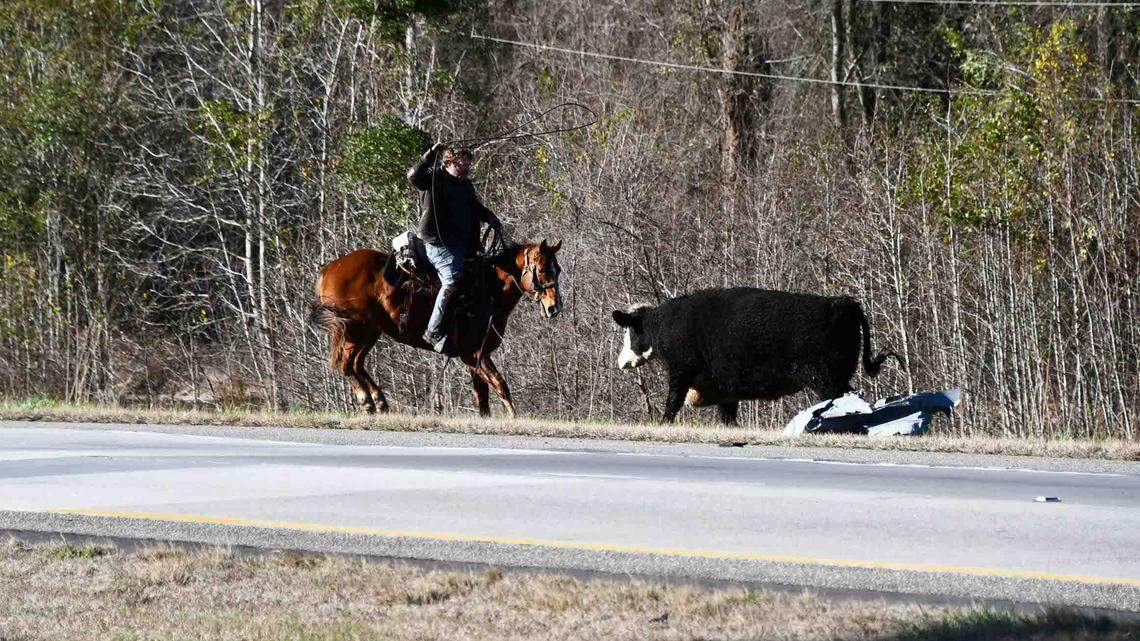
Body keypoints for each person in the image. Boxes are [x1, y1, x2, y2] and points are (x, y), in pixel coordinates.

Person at [407, 143, 503, 353]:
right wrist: (429, 155)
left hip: (461, 246)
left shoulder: (465, 186)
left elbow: (475, 208)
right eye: (462, 163)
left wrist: (492, 219)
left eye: (468, 163)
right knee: (451, 280)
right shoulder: (434, 179)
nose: (467, 167)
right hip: (437, 244)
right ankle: (432, 331)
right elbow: (413, 176)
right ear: (449, 161)